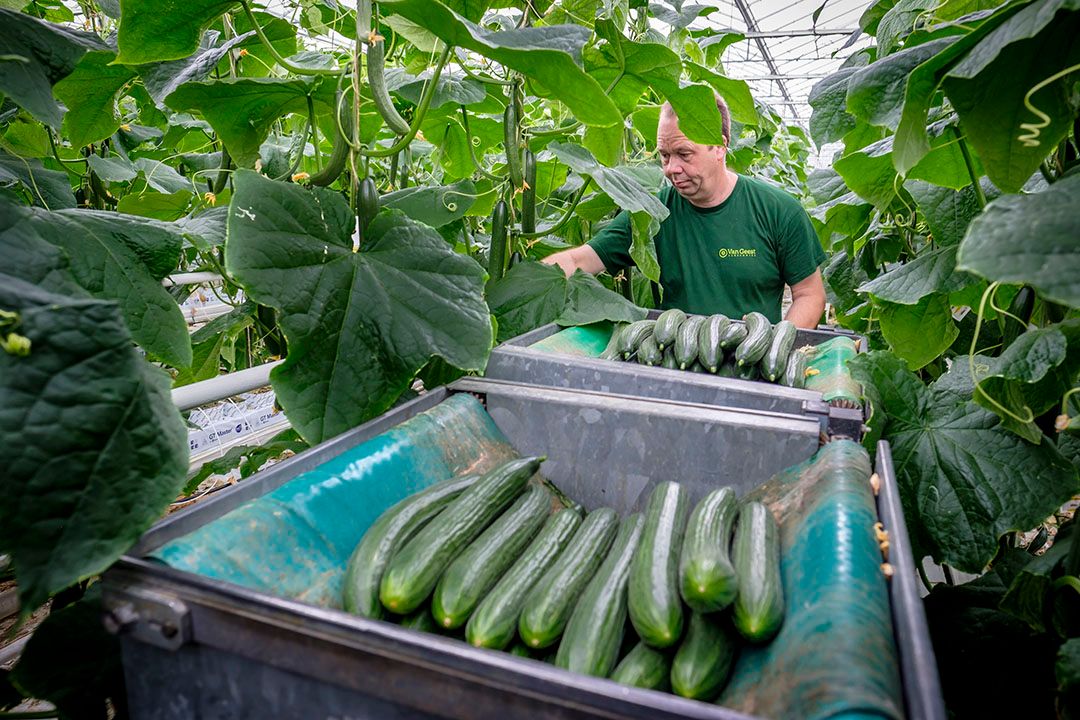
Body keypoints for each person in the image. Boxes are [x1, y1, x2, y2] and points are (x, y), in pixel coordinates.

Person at [543, 96, 827, 329]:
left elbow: (808, 295)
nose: (670, 168)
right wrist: (533, 282)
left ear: (719, 146)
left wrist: (774, 345)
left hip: (751, 367)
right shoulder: (653, 213)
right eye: (665, 155)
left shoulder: (779, 211)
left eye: (684, 154)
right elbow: (580, 259)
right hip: (676, 360)